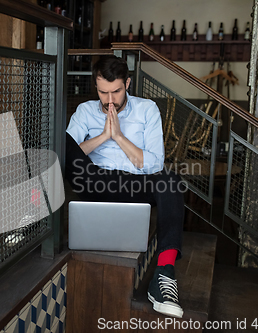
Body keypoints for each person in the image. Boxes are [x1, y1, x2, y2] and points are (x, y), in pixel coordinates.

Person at [65, 55, 185, 318]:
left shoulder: (147, 109)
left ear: (127, 83)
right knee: (63, 150)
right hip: (96, 180)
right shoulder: (85, 111)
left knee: (170, 180)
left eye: (116, 91)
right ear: (95, 87)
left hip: (135, 183)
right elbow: (67, 156)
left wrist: (118, 137)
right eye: (103, 92)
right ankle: (31, 220)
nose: (109, 100)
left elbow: (154, 164)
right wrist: (103, 137)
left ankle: (164, 275)